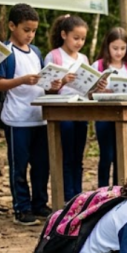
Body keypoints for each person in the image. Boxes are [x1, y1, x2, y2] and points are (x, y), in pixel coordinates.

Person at [0, 4, 60, 226]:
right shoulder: (5, 52)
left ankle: (39, 203)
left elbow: (41, 80)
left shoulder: (37, 52)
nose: (30, 35)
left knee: (42, 165)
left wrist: (53, 83)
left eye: (33, 30)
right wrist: (22, 80)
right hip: (17, 118)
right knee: (19, 166)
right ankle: (21, 208)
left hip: (39, 117)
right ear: (12, 26)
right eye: (26, 30)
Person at [46, 14, 93, 202]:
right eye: (76, 38)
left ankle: (78, 195)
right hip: (62, 110)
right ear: (64, 34)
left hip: (81, 110)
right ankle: (67, 196)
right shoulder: (54, 56)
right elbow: (46, 86)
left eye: (83, 39)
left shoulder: (83, 58)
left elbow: (88, 86)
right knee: (66, 154)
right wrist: (63, 80)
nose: (79, 42)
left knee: (78, 155)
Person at [93, 27, 127, 188]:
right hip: (103, 116)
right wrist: (98, 89)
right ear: (107, 46)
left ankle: (118, 189)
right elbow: (88, 93)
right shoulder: (98, 65)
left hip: (123, 117)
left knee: (120, 155)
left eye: (123, 48)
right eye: (115, 48)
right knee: (106, 155)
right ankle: (102, 189)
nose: (119, 52)